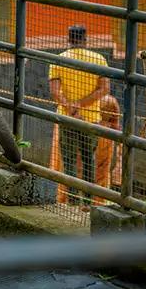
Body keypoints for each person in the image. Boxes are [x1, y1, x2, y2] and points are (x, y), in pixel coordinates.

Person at [49, 25, 109, 205]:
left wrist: (71, 108)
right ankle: (88, 202)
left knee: (68, 160)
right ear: (85, 39)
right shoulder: (99, 59)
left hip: (66, 118)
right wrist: (81, 106)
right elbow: (104, 88)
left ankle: (72, 200)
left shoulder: (59, 59)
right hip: (91, 118)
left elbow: (55, 91)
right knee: (88, 158)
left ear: (69, 39)